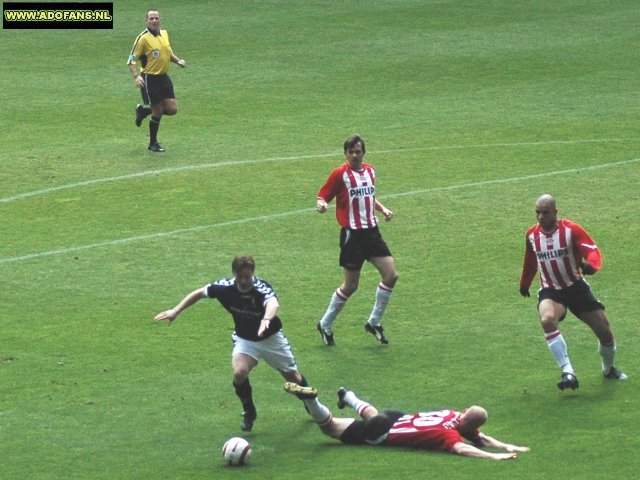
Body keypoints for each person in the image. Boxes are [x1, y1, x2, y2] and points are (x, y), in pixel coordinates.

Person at [154, 255, 312, 432]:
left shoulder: (261, 287)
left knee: (293, 377)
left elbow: (273, 303)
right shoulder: (225, 287)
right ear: (234, 273)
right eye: (240, 277)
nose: (244, 281)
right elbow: (199, 293)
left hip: (271, 339)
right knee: (239, 373)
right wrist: (176, 310)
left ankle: (313, 405)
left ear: (252, 272)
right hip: (246, 339)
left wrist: (266, 319)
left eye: (247, 276)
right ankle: (249, 411)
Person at [519, 194, 628, 390]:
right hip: (551, 290)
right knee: (547, 319)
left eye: (545, 212)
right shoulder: (531, 235)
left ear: (555, 212)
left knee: (605, 333)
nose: (541, 217)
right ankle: (568, 372)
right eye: (537, 212)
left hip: (576, 288)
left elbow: (591, 250)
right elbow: (530, 260)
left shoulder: (571, 230)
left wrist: (592, 265)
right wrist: (525, 282)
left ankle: (608, 369)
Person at [283, 383, 529, 460]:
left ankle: (347, 396)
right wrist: (496, 456)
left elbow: (480, 438)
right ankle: (314, 401)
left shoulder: (452, 414)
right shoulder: (449, 435)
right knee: (330, 428)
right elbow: (466, 446)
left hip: (394, 416)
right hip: (383, 431)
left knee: (371, 417)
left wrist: (509, 447)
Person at [315, 134, 399, 346]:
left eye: (358, 151)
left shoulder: (370, 171)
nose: (354, 155)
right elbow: (323, 195)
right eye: (351, 152)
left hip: (372, 232)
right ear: (345, 153)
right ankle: (325, 324)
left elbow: (368, 196)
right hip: (352, 236)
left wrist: (383, 209)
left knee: (391, 275)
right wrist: (322, 205)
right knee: (351, 286)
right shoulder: (339, 174)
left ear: (363, 153)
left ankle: (374, 322)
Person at [127, 9, 186, 153]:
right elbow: (131, 60)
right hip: (150, 78)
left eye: (156, 18)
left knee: (172, 109)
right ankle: (152, 144)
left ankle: (144, 111)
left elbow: (167, 53)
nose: (154, 21)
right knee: (158, 111)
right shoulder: (142, 38)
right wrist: (136, 76)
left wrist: (178, 61)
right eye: (151, 18)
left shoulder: (164, 34)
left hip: (164, 77)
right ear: (146, 20)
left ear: (160, 19)